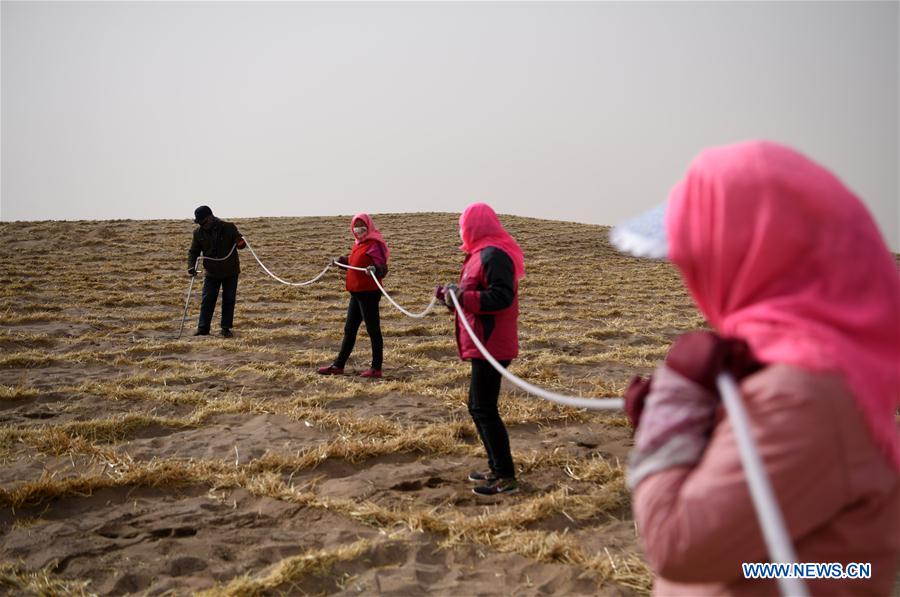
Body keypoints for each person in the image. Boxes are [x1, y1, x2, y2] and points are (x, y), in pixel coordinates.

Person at [611, 141, 899, 595]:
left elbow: (677, 545)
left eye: (701, 260)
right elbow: (813, 557)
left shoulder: (803, 391)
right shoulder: (810, 367)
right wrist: (688, 426)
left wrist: (673, 408)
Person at [437, 202, 525, 496]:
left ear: (476, 225)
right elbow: (473, 296)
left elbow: (501, 296)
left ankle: (506, 476)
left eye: (464, 224)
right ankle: (496, 468)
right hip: (482, 341)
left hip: (492, 344)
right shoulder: (478, 255)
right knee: (479, 407)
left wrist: (463, 297)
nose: (462, 230)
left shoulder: (493, 255)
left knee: (483, 408)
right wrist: (451, 297)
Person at [317, 214, 389, 378]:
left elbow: (383, 268)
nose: (359, 231)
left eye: (362, 227)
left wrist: (375, 270)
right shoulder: (359, 245)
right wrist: (341, 261)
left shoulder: (374, 245)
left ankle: (376, 368)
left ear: (369, 227)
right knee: (349, 329)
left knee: (373, 330)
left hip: (369, 293)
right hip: (356, 293)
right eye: (356, 227)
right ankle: (338, 365)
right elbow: (354, 261)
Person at [187, 205, 246, 337]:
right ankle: (203, 329)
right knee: (207, 299)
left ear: (211, 217)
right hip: (211, 272)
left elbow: (242, 246)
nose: (202, 225)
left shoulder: (229, 227)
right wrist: (191, 267)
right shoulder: (198, 233)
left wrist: (240, 242)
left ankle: (225, 329)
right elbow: (193, 252)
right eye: (199, 222)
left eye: (204, 222)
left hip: (230, 271)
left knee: (229, 299)